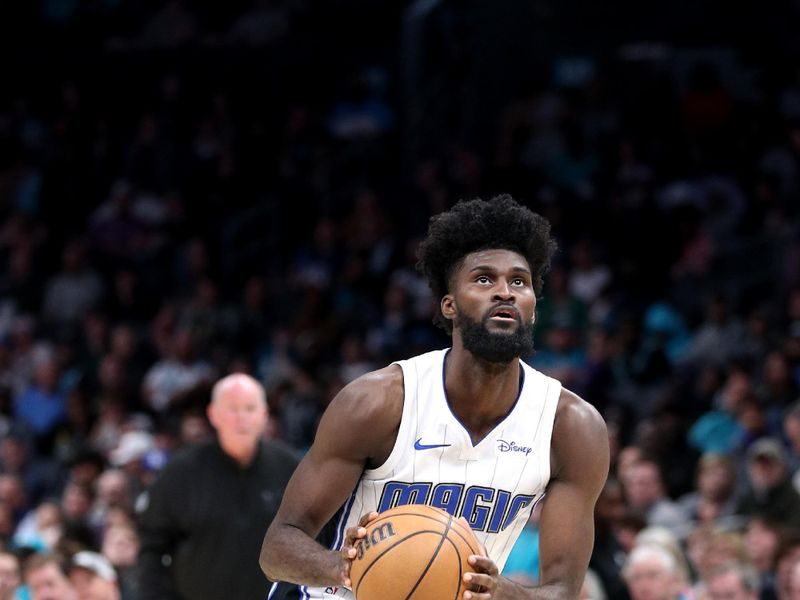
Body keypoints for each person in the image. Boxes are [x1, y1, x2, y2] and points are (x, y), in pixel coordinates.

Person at [260, 196, 609, 599]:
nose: (505, 292)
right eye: (483, 279)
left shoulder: (570, 427)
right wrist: (346, 566)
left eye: (519, 281)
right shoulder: (378, 402)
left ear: (532, 308)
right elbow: (277, 547)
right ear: (449, 305)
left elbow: (562, 591)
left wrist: (502, 593)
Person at [137, 373, 300, 600]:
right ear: (213, 415)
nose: (241, 417)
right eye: (232, 409)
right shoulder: (179, 473)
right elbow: (152, 549)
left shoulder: (292, 469)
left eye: (249, 408)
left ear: (264, 415)